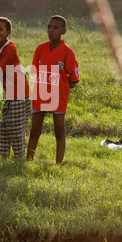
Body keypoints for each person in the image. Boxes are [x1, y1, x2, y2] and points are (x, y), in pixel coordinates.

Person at [27, 15, 79, 164]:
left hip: (58, 96)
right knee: (35, 130)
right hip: (39, 95)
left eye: (55, 28)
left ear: (64, 31)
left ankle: (59, 164)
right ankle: (28, 161)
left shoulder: (68, 52)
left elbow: (74, 78)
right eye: (49, 27)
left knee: (59, 131)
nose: (51, 30)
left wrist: (63, 84)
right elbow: (34, 72)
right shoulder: (40, 49)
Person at [0, 17, 31, 159]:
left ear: (9, 31)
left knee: (15, 128)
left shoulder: (10, 48)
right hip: (11, 94)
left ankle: (20, 158)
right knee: (4, 125)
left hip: (20, 94)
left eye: (0, 29)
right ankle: (4, 156)